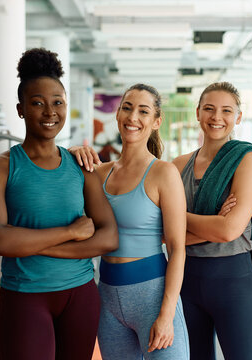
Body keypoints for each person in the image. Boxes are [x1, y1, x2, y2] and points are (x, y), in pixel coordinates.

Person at [0, 48, 118, 360]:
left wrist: (27, 242)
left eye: (57, 102)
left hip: (80, 295)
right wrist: (70, 231)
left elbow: (108, 238)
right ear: (21, 109)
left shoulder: (81, 166)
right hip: (24, 297)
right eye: (38, 103)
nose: (49, 111)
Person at [70, 83, 190, 359]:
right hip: (107, 296)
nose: (133, 117)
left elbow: (177, 248)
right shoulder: (98, 173)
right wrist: (75, 151)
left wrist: (167, 313)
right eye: (127, 107)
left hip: (153, 296)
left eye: (143, 111)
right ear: (118, 114)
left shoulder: (163, 173)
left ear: (156, 122)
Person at [172, 82, 252, 360]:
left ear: (238, 117)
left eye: (227, 110)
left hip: (233, 279)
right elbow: (163, 232)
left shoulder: (246, 159)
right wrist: (212, 224)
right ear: (198, 113)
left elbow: (229, 230)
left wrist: (179, 219)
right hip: (185, 278)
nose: (217, 117)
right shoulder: (179, 166)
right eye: (209, 109)